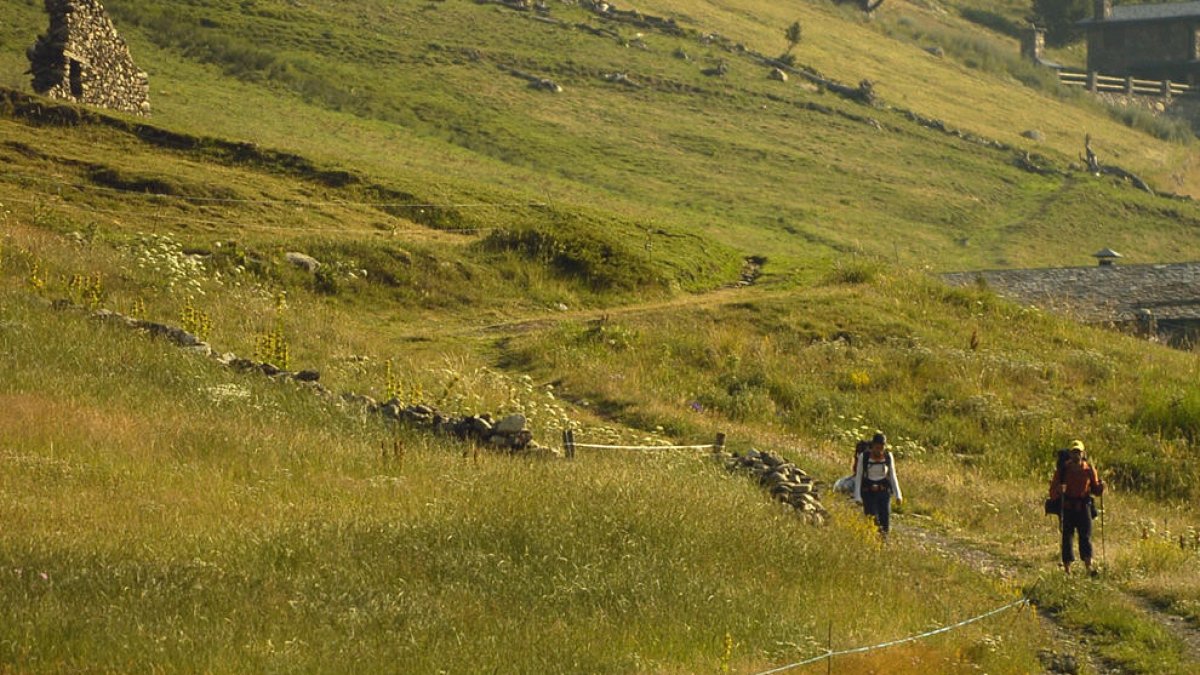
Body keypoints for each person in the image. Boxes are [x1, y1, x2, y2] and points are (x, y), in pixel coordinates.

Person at [1049, 440, 1105, 576]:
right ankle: (1067, 569)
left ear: (1083, 453)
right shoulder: (1063, 470)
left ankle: (1089, 567)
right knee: (1067, 537)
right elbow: (1052, 491)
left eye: (1078, 452)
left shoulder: (1089, 469)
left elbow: (1096, 490)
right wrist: (1059, 490)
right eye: (1074, 452)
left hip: (1083, 506)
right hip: (1068, 507)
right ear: (1070, 453)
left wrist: (1101, 487)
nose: (1076, 455)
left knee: (1085, 536)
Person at [854, 432, 903, 535]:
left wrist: (898, 495)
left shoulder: (888, 456)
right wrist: (857, 497)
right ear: (873, 446)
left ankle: (883, 541)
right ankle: (873, 541)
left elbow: (893, 475)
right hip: (868, 492)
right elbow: (858, 477)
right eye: (877, 448)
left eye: (882, 448)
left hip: (883, 491)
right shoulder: (864, 457)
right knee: (872, 519)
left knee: (885, 518)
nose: (879, 451)